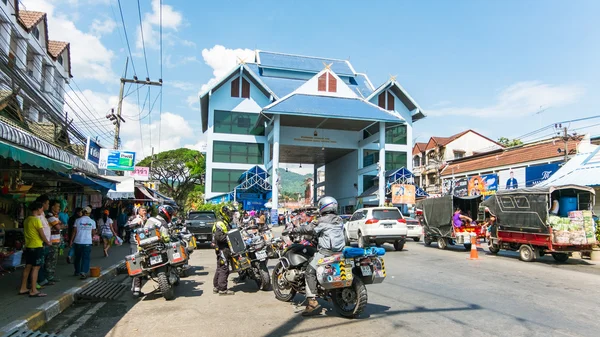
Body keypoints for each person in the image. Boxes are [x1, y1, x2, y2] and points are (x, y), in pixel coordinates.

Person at [284, 196, 345, 316]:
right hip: (340, 252)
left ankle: (312, 302)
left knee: (309, 271)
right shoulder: (339, 219)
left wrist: (295, 231)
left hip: (326, 253)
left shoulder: (321, 220)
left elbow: (307, 229)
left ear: (323, 207)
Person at [19, 201, 52, 297]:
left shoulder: (27, 219)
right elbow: (42, 233)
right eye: (41, 208)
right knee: (36, 268)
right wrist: (47, 241)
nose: (42, 210)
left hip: (29, 246)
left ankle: (23, 288)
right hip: (37, 246)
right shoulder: (36, 220)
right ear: (38, 209)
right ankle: (33, 290)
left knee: (28, 267)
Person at [212, 205, 235, 296]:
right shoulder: (220, 223)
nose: (231, 215)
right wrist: (230, 237)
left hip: (222, 248)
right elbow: (219, 237)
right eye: (229, 213)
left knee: (220, 267)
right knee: (224, 268)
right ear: (224, 213)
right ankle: (222, 289)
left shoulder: (224, 222)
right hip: (222, 248)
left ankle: (216, 286)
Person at [71, 207, 96, 279]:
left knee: (77, 257)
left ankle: (77, 271)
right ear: (89, 213)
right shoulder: (92, 221)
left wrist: (71, 240)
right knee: (86, 257)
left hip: (78, 241)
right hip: (87, 242)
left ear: (83, 212)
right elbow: (93, 232)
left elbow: (74, 231)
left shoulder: (77, 220)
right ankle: (83, 271)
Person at [45, 200, 64, 283]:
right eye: (58, 206)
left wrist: (60, 225)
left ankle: (50, 276)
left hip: (56, 240)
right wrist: (60, 225)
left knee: (53, 259)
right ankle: (48, 277)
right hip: (52, 241)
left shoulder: (55, 216)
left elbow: (61, 224)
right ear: (52, 207)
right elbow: (59, 227)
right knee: (51, 260)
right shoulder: (50, 216)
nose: (59, 208)